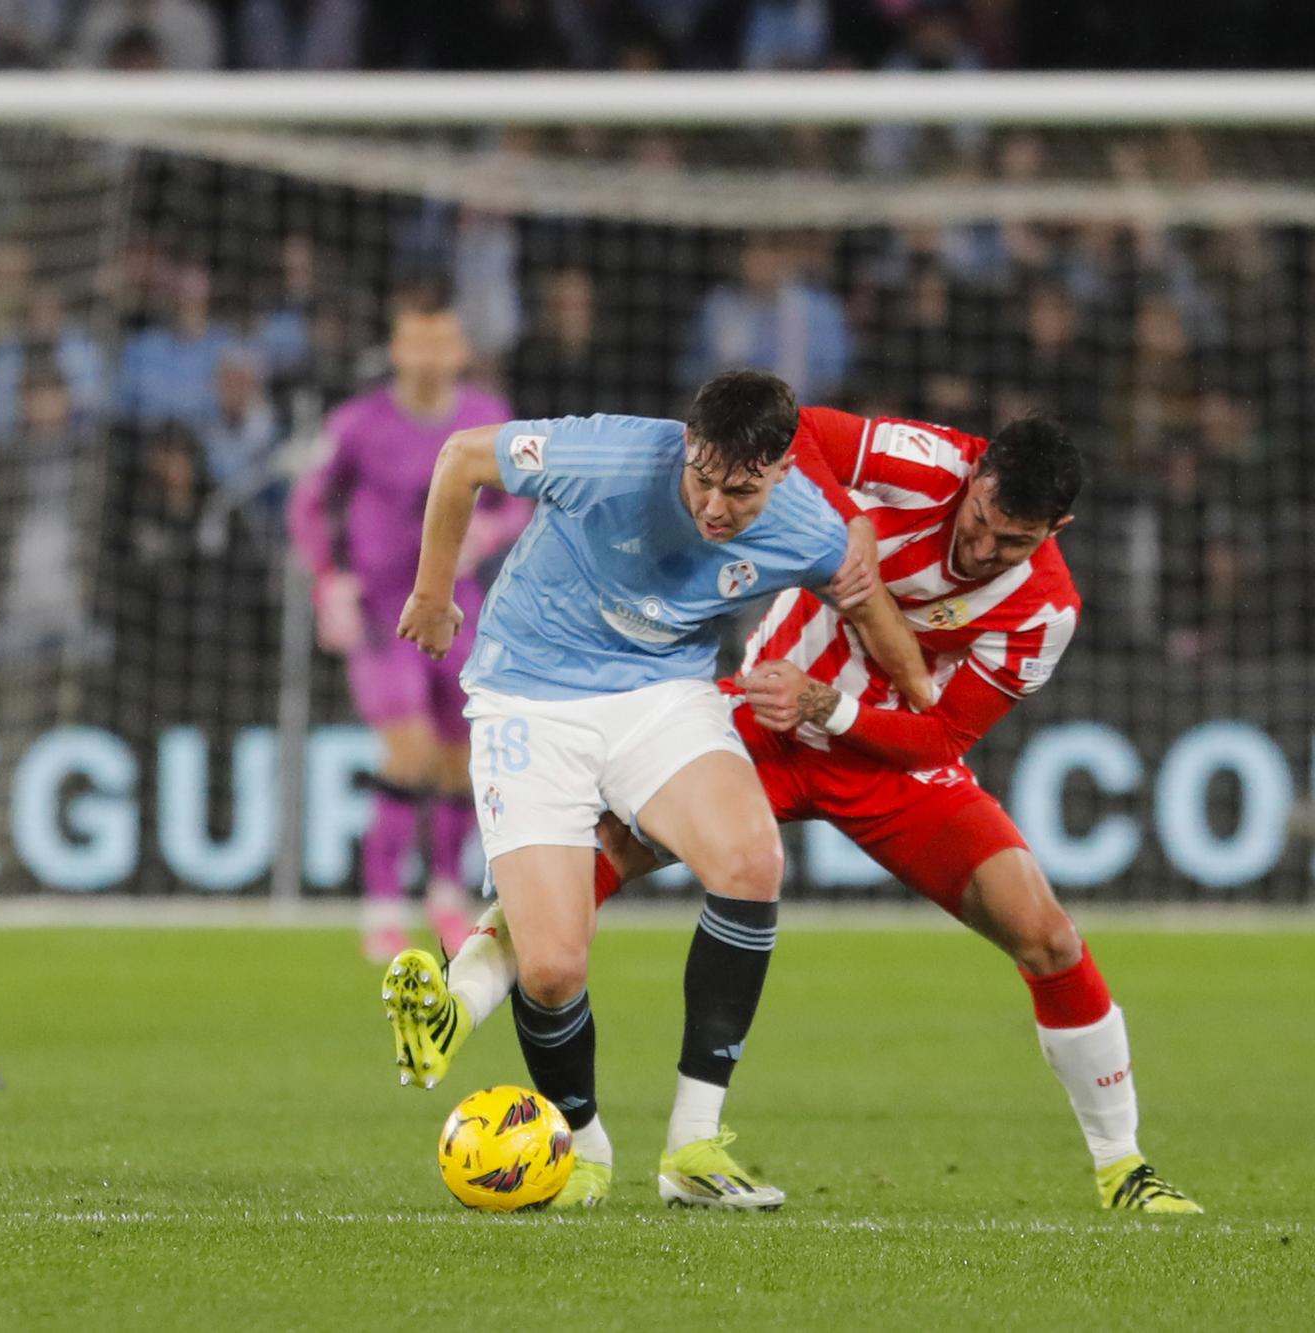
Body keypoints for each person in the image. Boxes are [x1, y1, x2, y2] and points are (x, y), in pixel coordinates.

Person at [390, 407, 1202, 1215]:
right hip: (768, 714)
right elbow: (794, 426)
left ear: (1057, 528)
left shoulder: (1045, 612)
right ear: (976, 475)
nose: (981, 547)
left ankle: (1122, 1164)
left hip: (884, 760)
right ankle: (458, 1009)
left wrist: (834, 709)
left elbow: (941, 735)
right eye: (981, 519)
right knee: (586, 868)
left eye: (1012, 542)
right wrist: (851, 526)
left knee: (1047, 933)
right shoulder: (922, 463)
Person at [389, 369, 925, 1209]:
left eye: (741, 491)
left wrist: (924, 692)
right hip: (529, 694)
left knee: (751, 860)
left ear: (783, 471)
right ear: (687, 443)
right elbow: (460, 457)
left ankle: (694, 1145)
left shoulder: (804, 525)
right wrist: (432, 594)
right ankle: (584, 1141)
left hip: (661, 697)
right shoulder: (604, 452)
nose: (716, 505)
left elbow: (866, 601)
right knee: (556, 966)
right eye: (703, 476)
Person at [285, 286, 527, 959]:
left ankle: (446, 897)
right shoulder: (358, 424)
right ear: (396, 349)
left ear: (460, 351)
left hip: (461, 609)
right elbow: (308, 505)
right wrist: (328, 579)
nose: (426, 356)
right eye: (414, 341)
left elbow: (522, 505)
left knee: (459, 759)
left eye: (439, 341)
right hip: (382, 614)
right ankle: (381, 910)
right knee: (410, 750)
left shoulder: (487, 418)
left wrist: (490, 528)